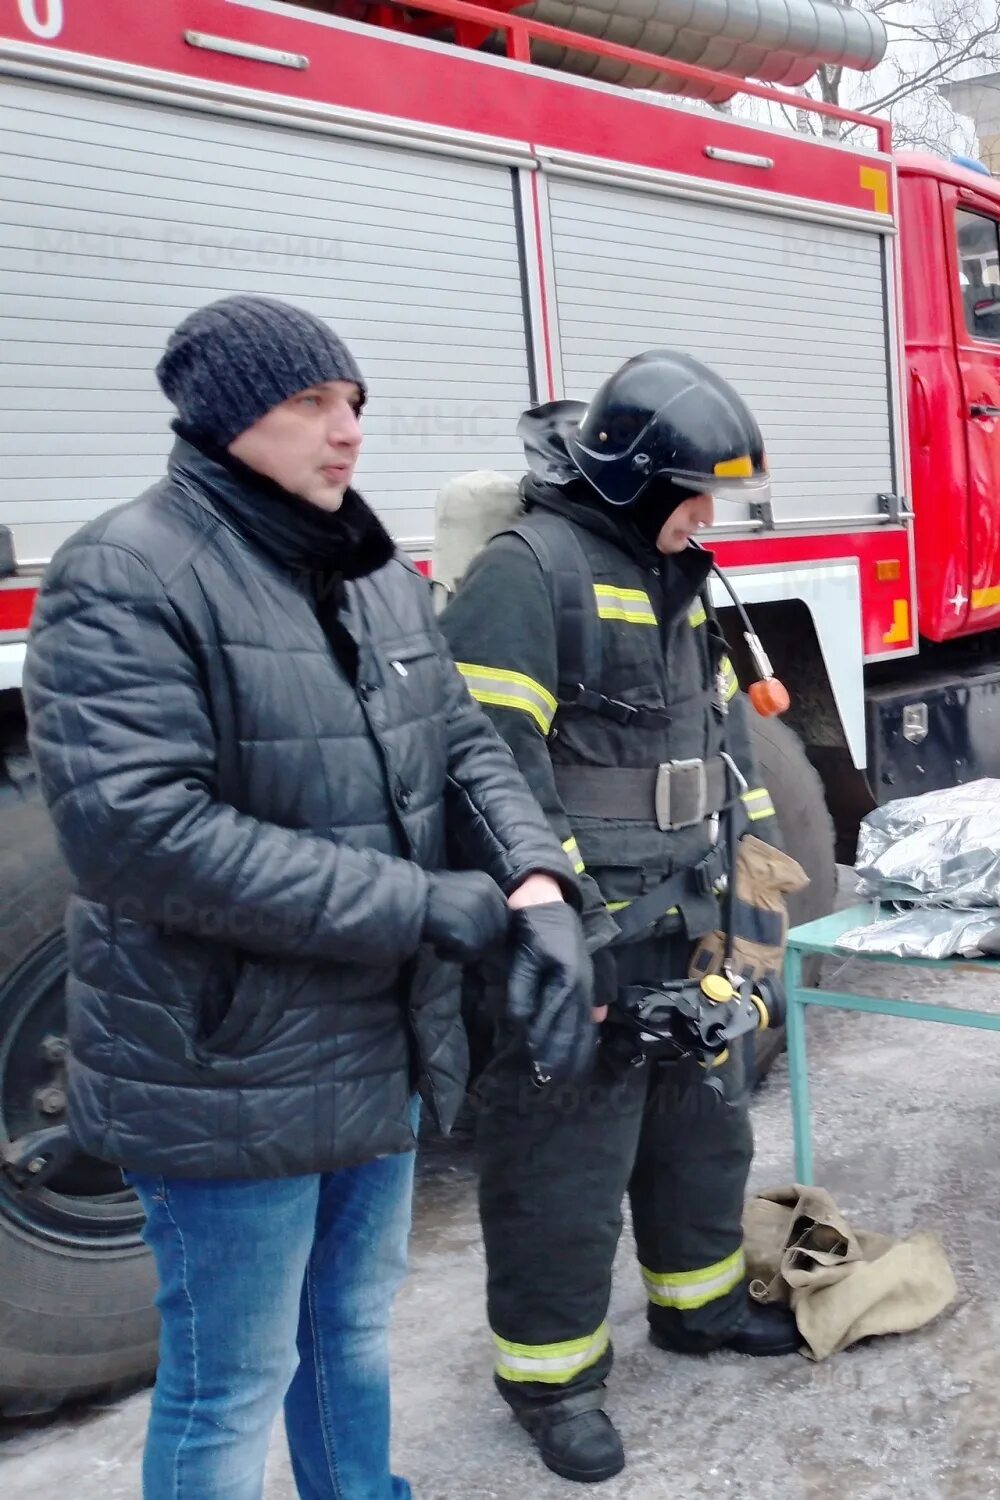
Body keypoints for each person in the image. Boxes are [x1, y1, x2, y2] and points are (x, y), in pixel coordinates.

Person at [21, 295, 591, 1500]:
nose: (347, 433)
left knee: (347, 1340)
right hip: (221, 1061)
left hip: (372, 1042)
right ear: (227, 419)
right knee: (230, 1381)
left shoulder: (369, 567)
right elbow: (140, 835)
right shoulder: (124, 571)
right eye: (310, 404)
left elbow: (460, 744)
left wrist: (535, 882)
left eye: (354, 404)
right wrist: (423, 907)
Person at [439, 351, 800, 1482]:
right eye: (694, 494)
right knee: (564, 1163)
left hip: (691, 915)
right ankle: (551, 1382)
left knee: (704, 1124)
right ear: (638, 480)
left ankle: (696, 1308)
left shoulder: (674, 572)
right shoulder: (527, 573)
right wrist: (571, 938)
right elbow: (492, 774)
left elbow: (722, 742)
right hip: (580, 934)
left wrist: (755, 892)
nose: (707, 517)